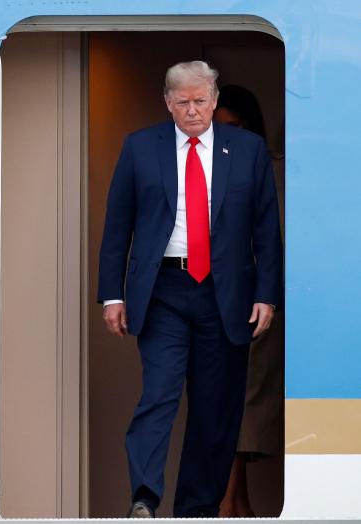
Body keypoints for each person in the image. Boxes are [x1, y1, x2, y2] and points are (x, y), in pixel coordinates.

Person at [97, 61, 283, 518]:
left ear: (215, 101)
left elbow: (266, 229)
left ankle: (196, 511)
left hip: (227, 293)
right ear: (168, 103)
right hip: (164, 289)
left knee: (215, 410)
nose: (193, 111)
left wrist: (266, 295)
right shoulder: (141, 147)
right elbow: (117, 225)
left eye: (201, 101)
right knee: (158, 393)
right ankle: (143, 497)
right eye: (183, 102)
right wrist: (112, 294)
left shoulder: (248, 149)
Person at [213, 84, 285, 518]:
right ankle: (235, 505)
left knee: (240, 404)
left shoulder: (274, 171)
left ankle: (226, 504)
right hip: (211, 305)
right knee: (221, 404)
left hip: (258, 305)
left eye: (235, 128)